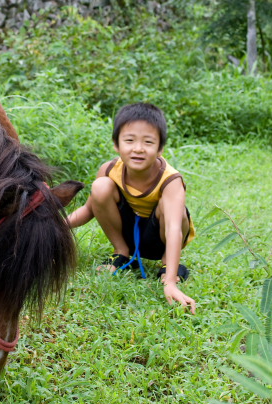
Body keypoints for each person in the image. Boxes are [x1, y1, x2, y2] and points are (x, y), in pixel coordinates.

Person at [67, 102, 196, 313]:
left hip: (159, 239)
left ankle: (167, 267)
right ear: (116, 145)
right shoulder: (109, 169)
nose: (138, 148)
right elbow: (90, 208)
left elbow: (174, 228)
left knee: (173, 208)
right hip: (128, 233)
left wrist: (171, 282)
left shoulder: (171, 180)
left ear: (160, 148)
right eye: (129, 140)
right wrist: (56, 226)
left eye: (148, 141)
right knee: (100, 187)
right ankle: (121, 253)